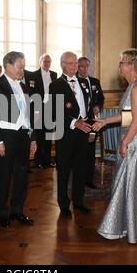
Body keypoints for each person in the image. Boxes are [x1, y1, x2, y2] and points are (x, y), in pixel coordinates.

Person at [92, 48, 137, 245]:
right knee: (130, 184)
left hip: (135, 141)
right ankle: (129, 225)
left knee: (129, 183)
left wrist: (125, 141)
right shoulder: (135, 85)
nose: (119, 66)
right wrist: (104, 122)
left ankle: (124, 227)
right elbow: (130, 115)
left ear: (131, 65)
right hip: (134, 139)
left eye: (122, 62)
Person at [0, 51, 37, 228]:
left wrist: (33, 138)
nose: (23, 70)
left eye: (23, 66)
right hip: (5, 138)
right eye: (20, 66)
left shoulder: (24, 86)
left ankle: (17, 211)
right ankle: (2, 212)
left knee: (22, 176)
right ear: (8, 65)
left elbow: (30, 115)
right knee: (3, 177)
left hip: (24, 137)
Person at [49, 52, 93, 217]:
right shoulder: (56, 85)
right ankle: (63, 204)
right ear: (62, 64)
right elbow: (54, 112)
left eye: (76, 63)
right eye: (71, 63)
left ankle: (79, 201)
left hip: (83, 132)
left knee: (81, 168)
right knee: (64, 169)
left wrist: (90, 127)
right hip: (66, 133)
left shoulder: (82, 83)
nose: (75, 66)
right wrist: (75, 122)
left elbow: (88, 108)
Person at [77, 56, 105, 188]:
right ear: (78, 67)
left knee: (90, 151)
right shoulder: (74, 81)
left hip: (93, 122)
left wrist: (98, 107)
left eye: (86, 66)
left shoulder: (95, 81)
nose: (84, 68)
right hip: (80, 123)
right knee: (79, 152)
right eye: (81, 66)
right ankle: (79, 179)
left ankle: (89, 179)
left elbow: (101, 99)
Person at [32, 54, 58, 169]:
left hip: (50, 108)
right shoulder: (33, 75)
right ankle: (38, 160)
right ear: (40, 62)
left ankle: (47, 159)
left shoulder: (54, 74)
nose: (47, 63)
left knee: (48, 136)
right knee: (39, 135)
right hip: (38, 108)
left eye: (49, 61)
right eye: (45, 61)